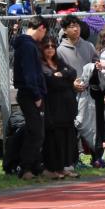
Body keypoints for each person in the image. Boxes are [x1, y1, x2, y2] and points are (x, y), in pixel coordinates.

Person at [11, 14, 48, 181]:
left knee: (36, 131)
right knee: (36, 132)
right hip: (29, 93)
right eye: (44, 32)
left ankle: (34, 166)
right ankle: (25, 167)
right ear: (41, 28)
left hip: (28, 92)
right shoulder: (28, 46)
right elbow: (30, 73)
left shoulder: (25, 44)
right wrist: (36, 95)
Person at [40, 35, 79, 177]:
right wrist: (65, 78)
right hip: (53, 106)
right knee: (54, 137)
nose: (50, 49)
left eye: (52, 46)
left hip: (67, 106)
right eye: (47, 46)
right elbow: (51, 81)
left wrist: (62, 74)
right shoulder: (41, 64)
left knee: (67, 136)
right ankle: (52, 168)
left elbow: (73, 72)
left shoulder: (59, 62)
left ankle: (64, 166)